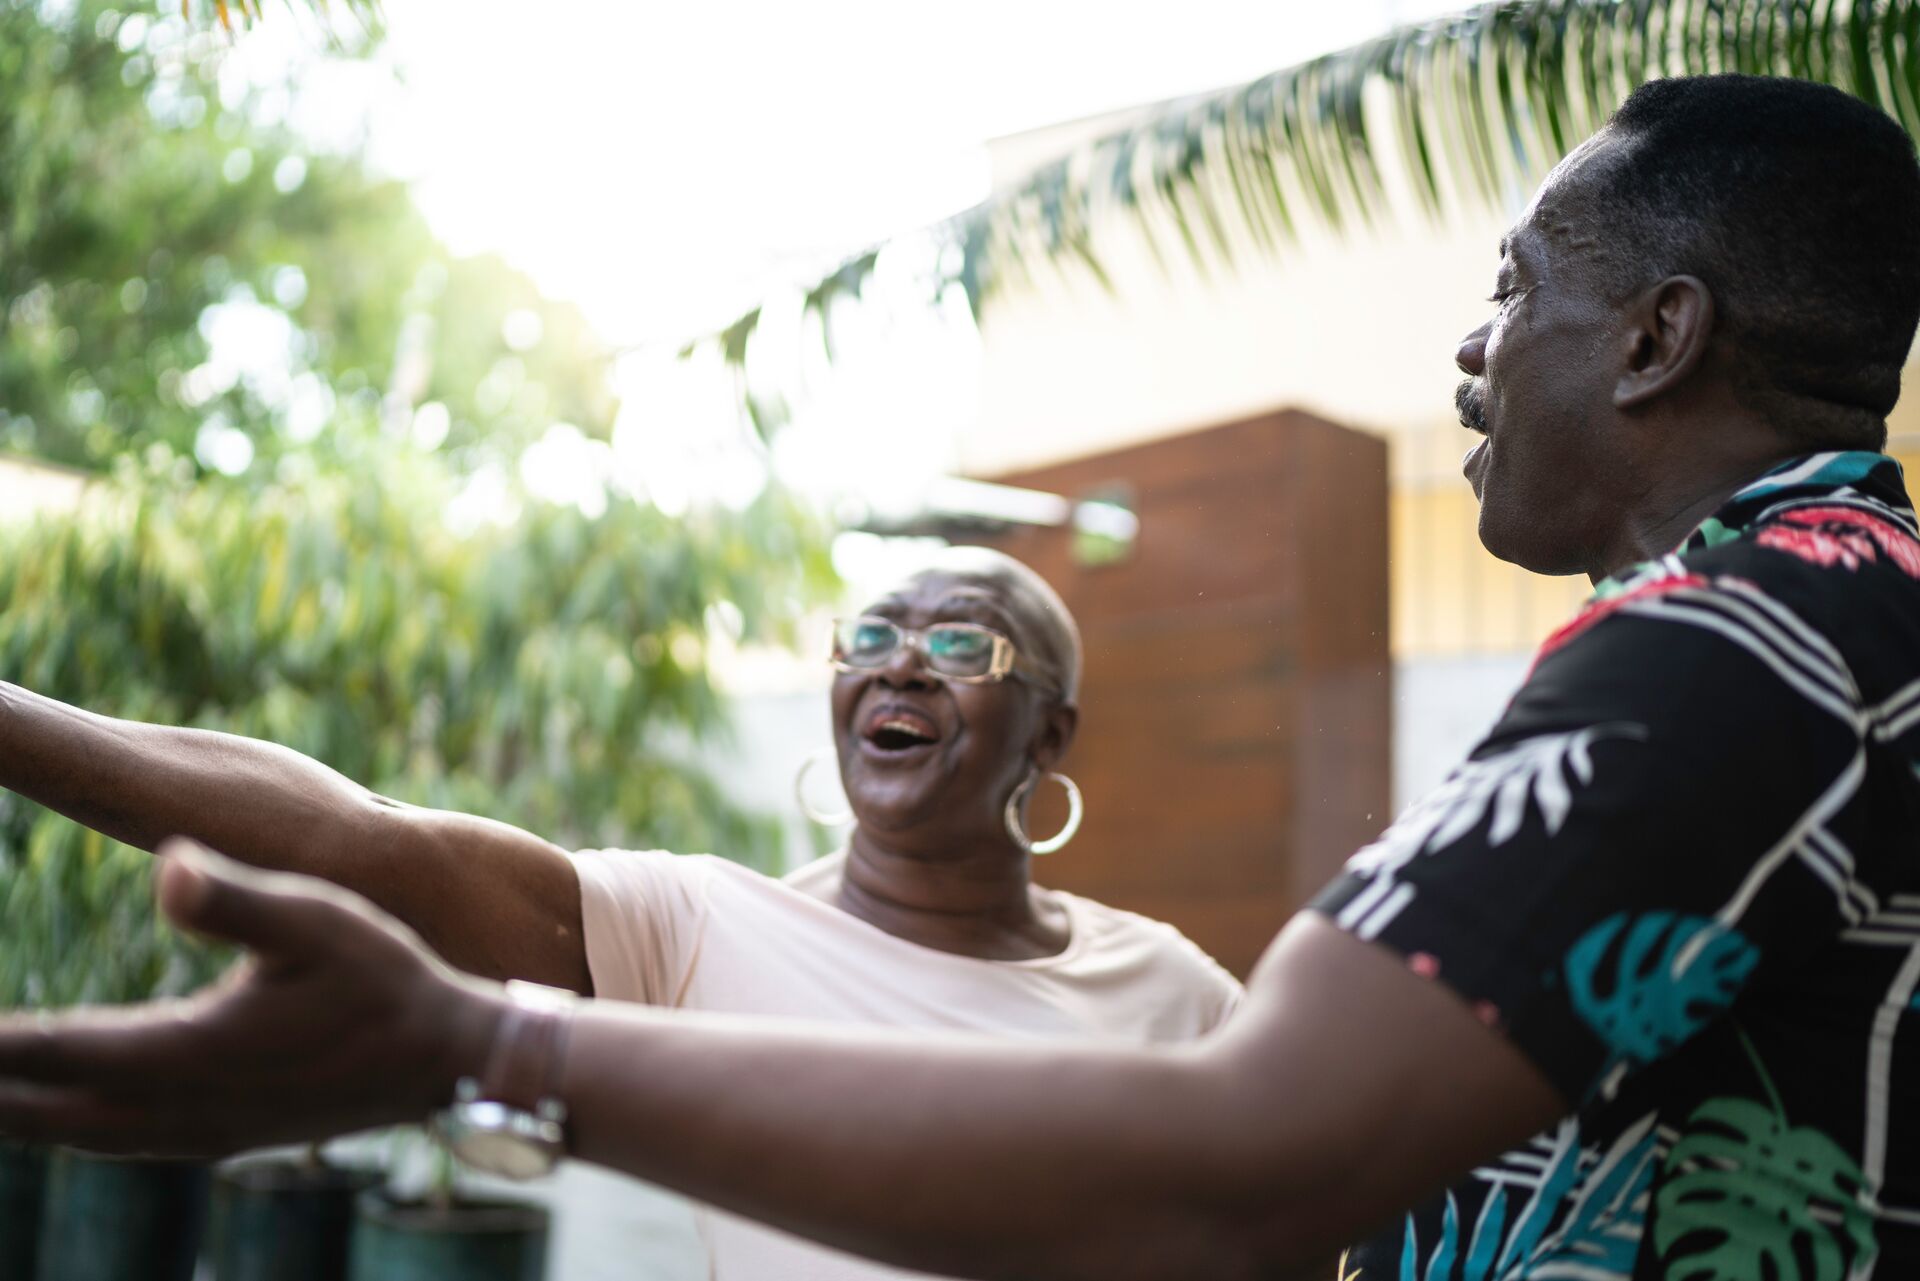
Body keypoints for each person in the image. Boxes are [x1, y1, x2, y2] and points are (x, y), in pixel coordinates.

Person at [4, 72, 1919, 1280]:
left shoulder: (1736, 650)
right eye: (869, 635)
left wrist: (478, 1052)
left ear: (1662, 336)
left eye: (1518, 285)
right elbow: (377, 839)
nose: (1475, 349)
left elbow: (1245, 1177)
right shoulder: (1821, 630)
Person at [0, 546, 1241, 1280]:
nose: (899, 664)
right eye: (869, 636)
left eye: (963, 646)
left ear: (1053, 731)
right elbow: (357, 834)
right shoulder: (695, 926)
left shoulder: (1176, 989)